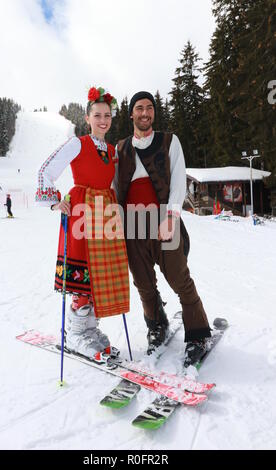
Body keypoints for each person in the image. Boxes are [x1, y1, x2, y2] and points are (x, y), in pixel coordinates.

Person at [115, 91, 211, 366]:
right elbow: (114, 186)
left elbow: (179, 178)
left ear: (153, 113)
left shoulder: (169, 141)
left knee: (180, 278)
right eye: (139, 108)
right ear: (131, 114)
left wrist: (170, 217)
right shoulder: (121, 147)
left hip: (162, 219)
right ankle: (157, 325)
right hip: (132, 223)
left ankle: (197, 335)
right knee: (143, 283)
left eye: (149, 108)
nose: (144, 113)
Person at [36, 87, 129, 360]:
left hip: (105, 213)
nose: (103, 120)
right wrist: (53, 201)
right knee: (82, 271)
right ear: (87, 118)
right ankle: (76, 333)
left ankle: (89, 329)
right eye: (97, 115)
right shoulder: (78, 143)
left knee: (99, 274)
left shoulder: (112, 151)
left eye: (108, 115)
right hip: (82, 211)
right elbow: (46, 169)